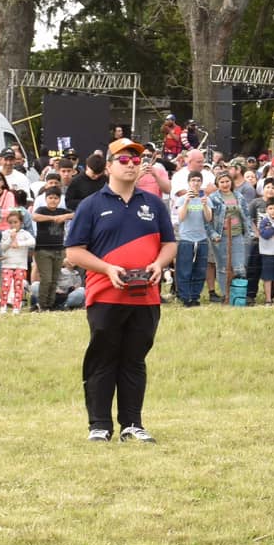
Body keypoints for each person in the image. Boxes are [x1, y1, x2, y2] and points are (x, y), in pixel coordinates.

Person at [64, 137, 174, 442]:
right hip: (105, 295)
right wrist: (107, 268)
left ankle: (132, 424)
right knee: (102, 359)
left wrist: (159, 264)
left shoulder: (153, 203)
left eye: (136, 160)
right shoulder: (91, 205)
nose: (131, 165)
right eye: (123, 160)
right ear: (108, 166)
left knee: (134, 360)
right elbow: (74, 253)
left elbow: (170, 243)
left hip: (146, 297)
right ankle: (99, 426)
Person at [31, 183, 74, 311]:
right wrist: (53, 218)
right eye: (50, 198)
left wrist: (64, 216)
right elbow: (35, 217)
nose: (53, 200)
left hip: (59, 249)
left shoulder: (62, 211)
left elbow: (76, 214)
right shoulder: (42, 210)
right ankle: (43, 305)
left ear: (59, 199)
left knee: (55, 279)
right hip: (43, 249)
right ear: (46, 199)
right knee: (47, 279)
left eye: (56, 198)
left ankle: (51, 304)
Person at [170, 177, 211, 307]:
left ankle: (195, 297)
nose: (196, 183)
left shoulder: (205, 199)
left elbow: (209, 218)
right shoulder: (182, 199)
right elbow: (181, 218)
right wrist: (187, 201)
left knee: (200, 270)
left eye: (198, 180)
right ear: (188, 182)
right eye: (193, 180)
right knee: (184, 270)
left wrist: (204, 205)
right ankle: (184, 297)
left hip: (202, 239)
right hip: (186, 239)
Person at [0, 208, 35, 314]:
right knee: (6, 285)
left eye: (15, 222)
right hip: (7, 264)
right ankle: (3, 306)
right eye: (10, 222)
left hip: (20, 265)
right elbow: (2, 247)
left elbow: (33, 241)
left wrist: (19, 244)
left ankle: (16, 306)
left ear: (21, 223)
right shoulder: (5, 234)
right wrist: (10, 239)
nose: (13, 225)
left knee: (18, 286)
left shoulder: (25, 234)